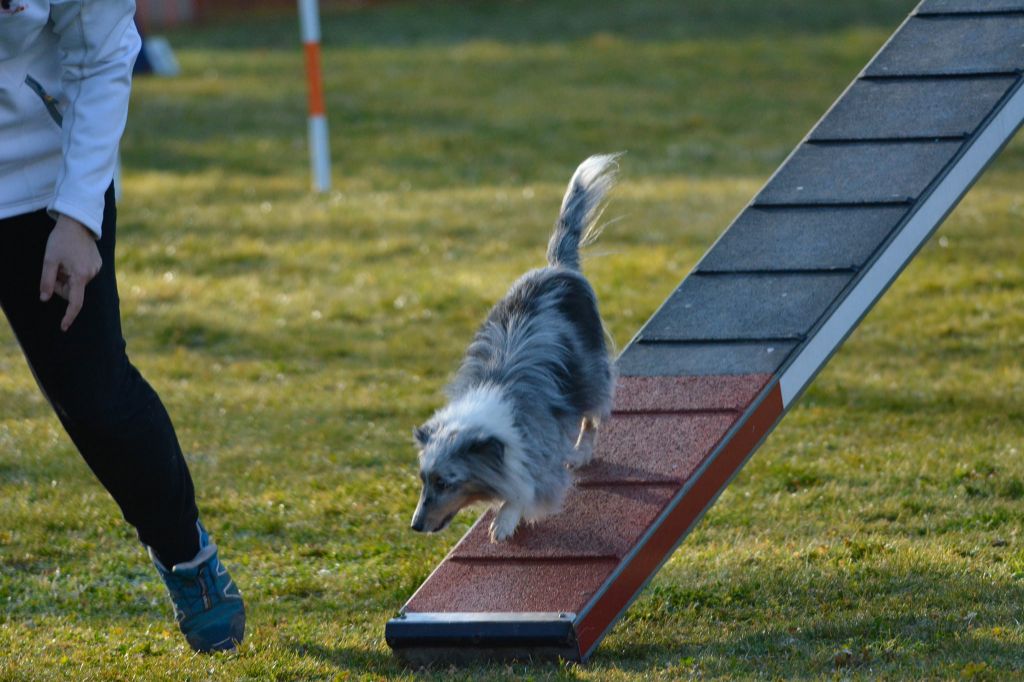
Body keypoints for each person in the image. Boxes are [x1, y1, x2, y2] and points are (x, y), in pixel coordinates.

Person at [0, 1, 245, 652]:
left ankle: (185, 556)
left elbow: (104, 53)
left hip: (38, 181)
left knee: (97, 401)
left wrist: (78, 217)